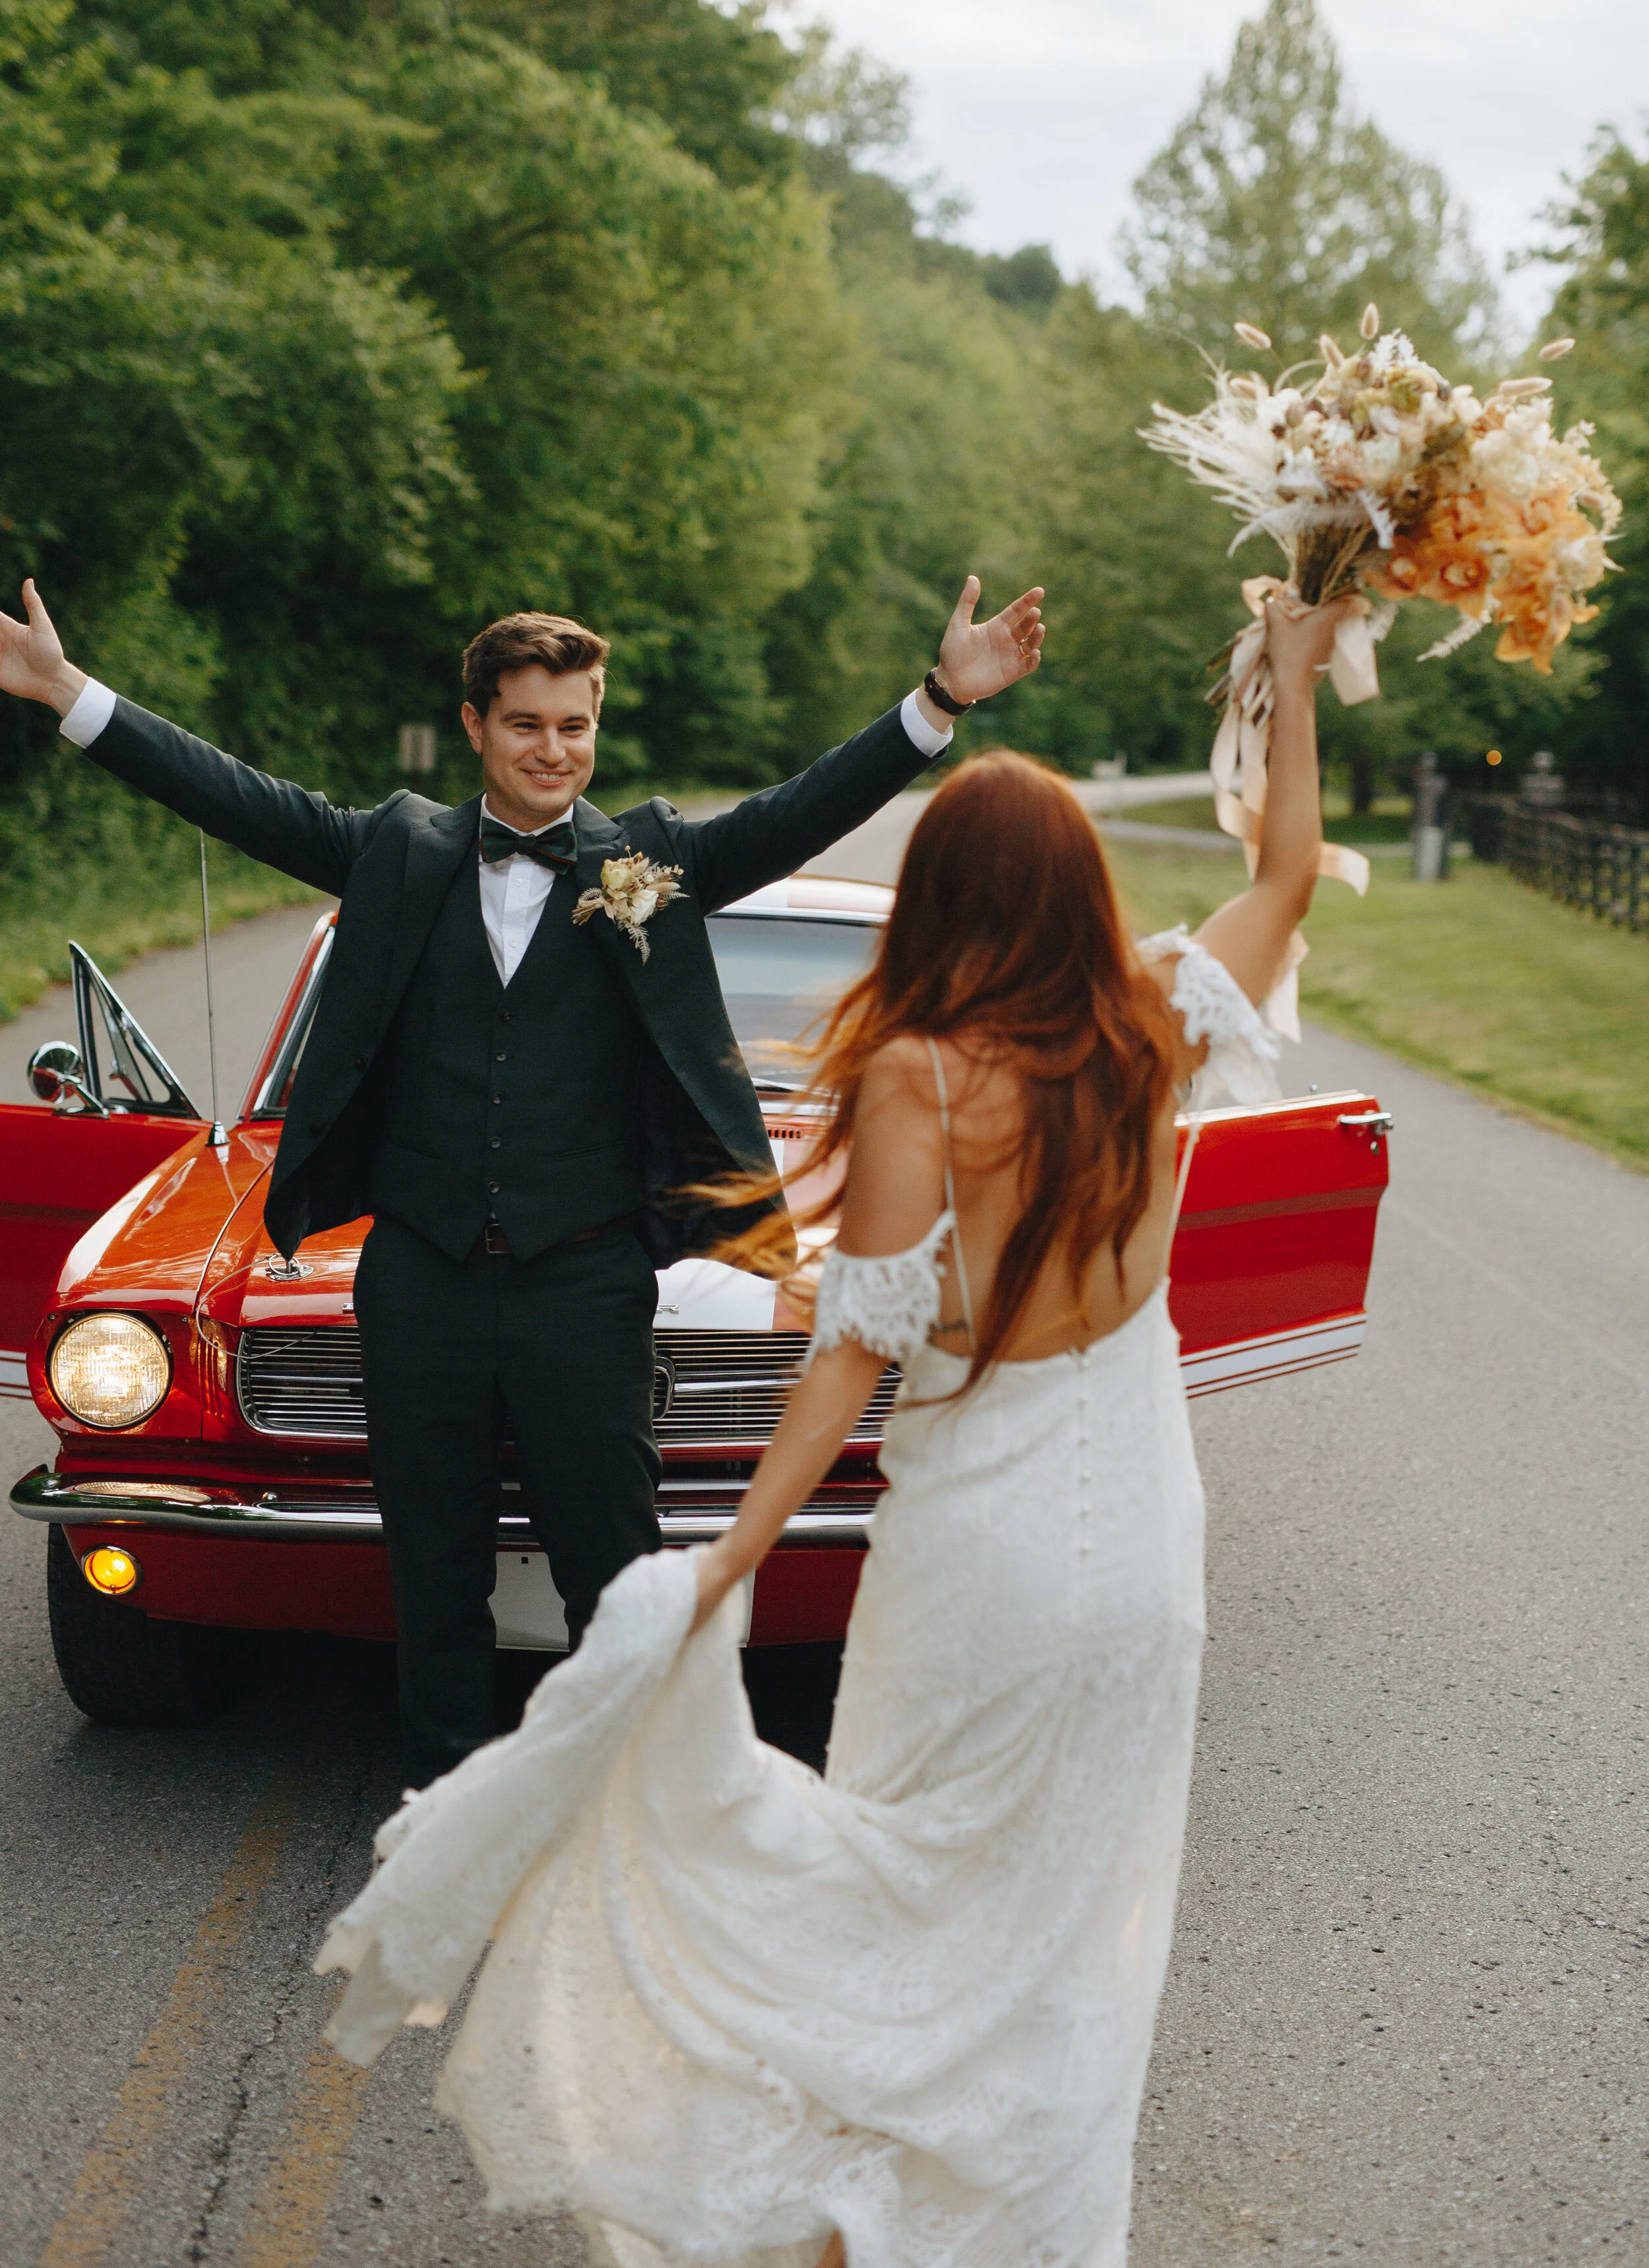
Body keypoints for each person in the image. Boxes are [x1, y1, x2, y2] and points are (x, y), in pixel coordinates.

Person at [315, 592, 1352, 2266]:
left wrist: (716, 1566)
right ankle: (1027, 2217)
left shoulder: (923, 1080)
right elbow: (1287, 874)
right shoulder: (1157, 1025)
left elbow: (850, 1360)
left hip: (982, 1551)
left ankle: (863, 2207)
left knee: (898, 1877)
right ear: (1087, 894)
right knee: (1074, 1917)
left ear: (934, 903)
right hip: (1146, 1554)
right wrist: (1294, 687)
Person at [0, 574, 1045, 1786]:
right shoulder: (396, 850)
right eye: (527, 724)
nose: (555, 751)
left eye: (575, 725)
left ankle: (641, 1808)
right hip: (418, 1281)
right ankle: (447, 1805)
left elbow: (793, 815)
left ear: (595, 727)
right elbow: (237, 797)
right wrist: (71, 696)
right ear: (476, 727)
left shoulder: (643, 864)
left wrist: (937, 700)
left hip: (586, 1281)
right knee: (433, 1571)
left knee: (618, 1568)